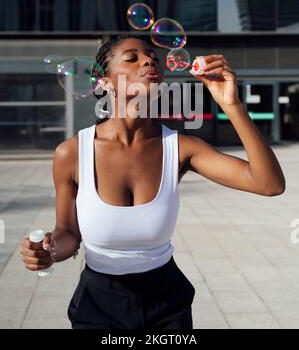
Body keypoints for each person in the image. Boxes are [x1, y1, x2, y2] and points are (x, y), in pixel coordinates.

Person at [20, 35, 286, 329]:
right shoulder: (72, 153)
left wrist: (232, 104)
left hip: (167, 302)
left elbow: (269, 184)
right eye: (132, 58)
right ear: (104, 81)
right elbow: (69, 232)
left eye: (153, 58)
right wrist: (50, 250)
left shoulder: (182, 148)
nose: (149, 61)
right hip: (98, 304)